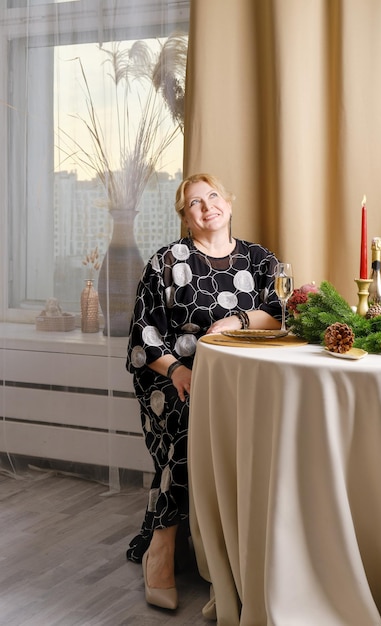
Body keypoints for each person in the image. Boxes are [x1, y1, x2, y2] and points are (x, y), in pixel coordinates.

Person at [125, 172, 282, 610]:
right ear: (186, 217)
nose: (207, 206)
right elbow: (142, 334)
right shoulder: (165, 261)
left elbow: (279, 312)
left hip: (243, 379)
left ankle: (233, 558)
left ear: (229, 205)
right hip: (175, 377)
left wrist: (238, 321)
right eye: (194, 202)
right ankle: (162, 549)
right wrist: (176, 369)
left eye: (213, 196)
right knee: (187, 431)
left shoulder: (260, 260)